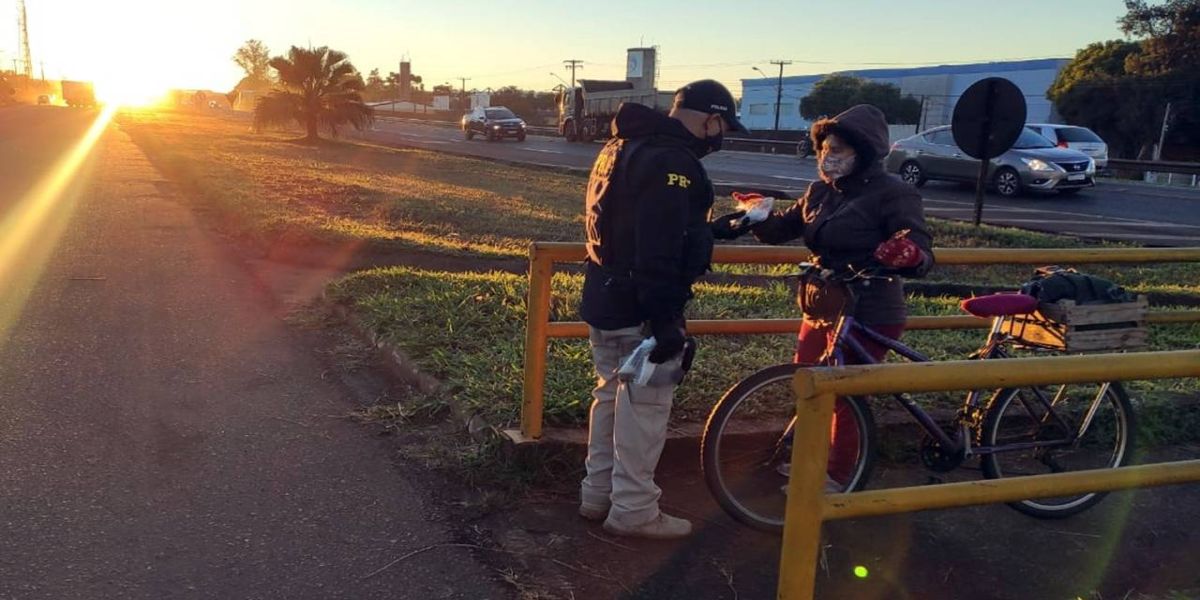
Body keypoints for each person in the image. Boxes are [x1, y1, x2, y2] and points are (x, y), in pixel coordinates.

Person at [712, 104, 934, 489]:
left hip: (871, 307)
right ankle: (810, 458)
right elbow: (783, 229)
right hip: (823, 303)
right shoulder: (819, 192)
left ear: (863, 154)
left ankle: (838, 475)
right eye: (824, 148)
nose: (827, 157)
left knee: (842, 395)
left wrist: (909, 254)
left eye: (837, 150)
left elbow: (919, 245)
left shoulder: (894, 193)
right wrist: (756, 215)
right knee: (809, 384)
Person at [578, 79, 747, 539]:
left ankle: (597, 494)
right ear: (711, 119)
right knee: (645, 407)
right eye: (723, 126)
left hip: (604, 294)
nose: (721, 136)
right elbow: (659, 247)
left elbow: (634, 222)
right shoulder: (673, 161)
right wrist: (666, 319)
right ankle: (634, 509)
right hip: (641, 305)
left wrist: (714, 230)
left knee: (610, 395)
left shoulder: (620, 145)